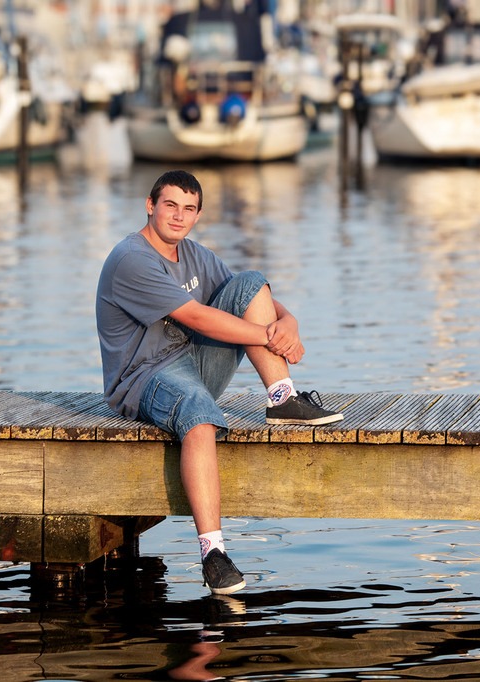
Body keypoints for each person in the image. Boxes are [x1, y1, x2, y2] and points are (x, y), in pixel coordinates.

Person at [96, 170, 343, 595]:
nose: (178, 216)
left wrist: (290, 322)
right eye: (170, 205)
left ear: (198, 215)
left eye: (188, 209)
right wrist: (272, 336)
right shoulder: (130, 259)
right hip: (144, 377)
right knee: (199, 414)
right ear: (150, 205)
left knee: (250, 279)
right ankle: (214, 553)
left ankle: (282, 399)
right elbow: (196, 317)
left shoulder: (194, 255)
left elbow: (249, 296)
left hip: (193, 361)